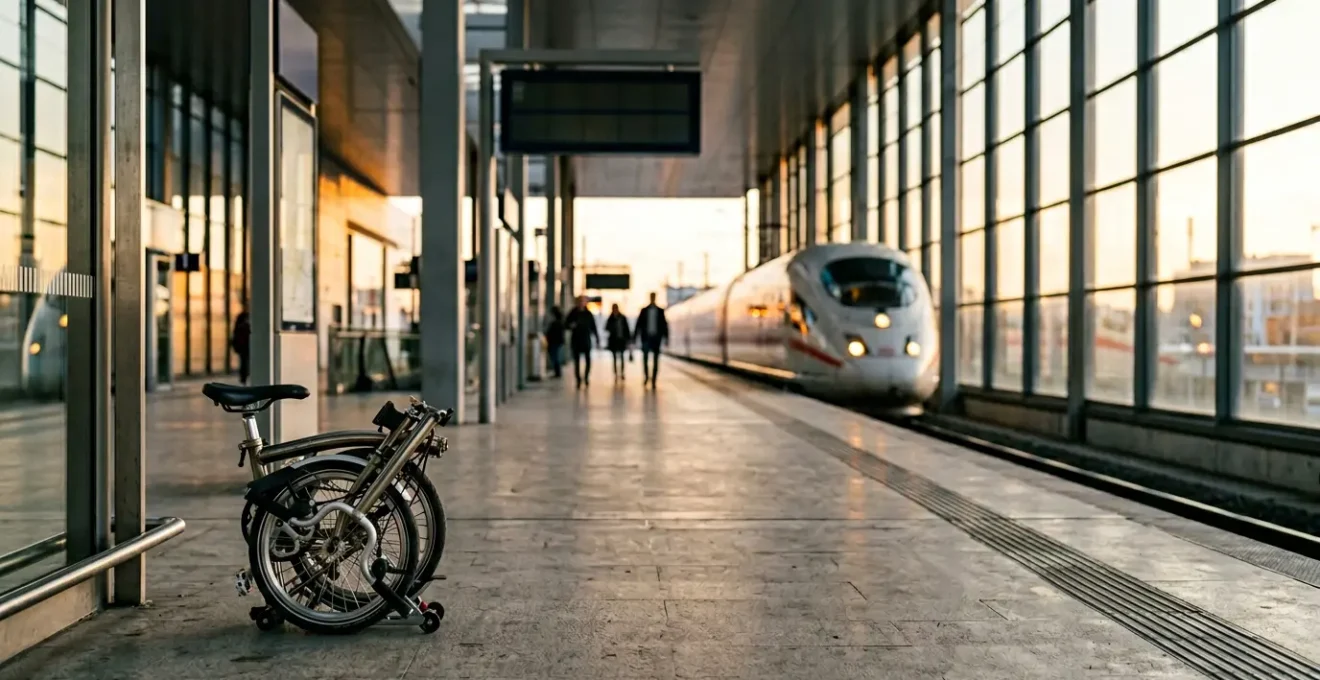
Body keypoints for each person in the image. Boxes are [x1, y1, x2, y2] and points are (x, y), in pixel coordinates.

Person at [633, 292, 668, 388]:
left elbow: (664, 325)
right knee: (645, 359)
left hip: (656, 338)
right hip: (646, 338)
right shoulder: (644, 310)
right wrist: (635, 337)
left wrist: (666, 337)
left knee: (656, 360)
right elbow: (638, 324)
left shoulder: (660, 311)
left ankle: (653, 380)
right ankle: (646, 377)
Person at [564, 295, 599, 388]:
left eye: (583, 301)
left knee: (588, 360)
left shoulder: (588, 313)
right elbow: (566, 324)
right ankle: (578, 379)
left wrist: (597, 338)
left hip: (586, 339)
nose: (582, 303)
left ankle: (586, 377)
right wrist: (571, 326)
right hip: (576, 339)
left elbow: (593, 326)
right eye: (580, 301)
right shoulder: (573, 312)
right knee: (577, 361)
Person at [604, 303, 632, 381]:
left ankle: (622, 373)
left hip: (621, 341)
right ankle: (616, 373)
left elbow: (627, 329)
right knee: (615, 358)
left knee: (622, 357)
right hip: (614, 341)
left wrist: (628, 340)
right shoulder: (611, 318)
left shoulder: (622, 317)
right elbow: (606, 328)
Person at [231, 306, 252, 385]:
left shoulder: (245, 316)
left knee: (245, 362)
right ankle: (244, 378)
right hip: (244, 344)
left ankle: (245, 378)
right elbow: (236, 332)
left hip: (246, 344)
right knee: (244, 362)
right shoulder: (242, 317)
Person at [544, 307, 566, 378]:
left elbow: (552, 332)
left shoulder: (557, 322)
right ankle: (557, 372)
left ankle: (558, 372)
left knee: (555, 356)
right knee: (555, 356)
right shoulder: (559, 321)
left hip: (555, 342)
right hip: (556, 342)